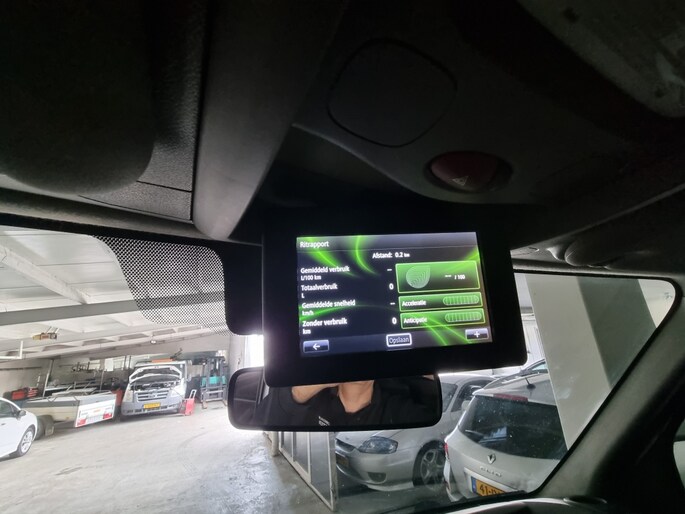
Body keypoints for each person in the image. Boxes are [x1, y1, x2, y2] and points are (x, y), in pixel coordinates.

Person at [253, 376, 439, 427]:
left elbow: (433, 415)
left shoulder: (398, 409)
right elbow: (262, 420)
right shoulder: (312, 402)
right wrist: (308, 386)